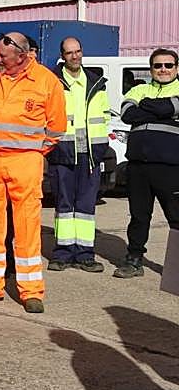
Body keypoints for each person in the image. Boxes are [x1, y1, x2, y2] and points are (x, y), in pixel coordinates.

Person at [0, 31, 66, 313]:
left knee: (26, 226)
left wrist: (32, 152)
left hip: (25, 162)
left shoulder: (46, 82)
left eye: (3, 56)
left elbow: (56, 127)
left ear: (21, 55)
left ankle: (31, 291)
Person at [46, 37, 109, 273]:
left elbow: (104, 117)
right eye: (69, 52)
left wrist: (100, 148)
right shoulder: (53, 82)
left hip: (90, 154)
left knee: (86, 207)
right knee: (64, 205)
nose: (75, 56)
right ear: (62, 56)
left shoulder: (96, 82)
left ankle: (85, 255)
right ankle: (62, 254)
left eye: (78, 51)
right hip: (63, 152)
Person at [116, 47, 179, 278]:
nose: (163, 69)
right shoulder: (139, 89)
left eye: (168, 65)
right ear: (151, 69)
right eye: (157, 65)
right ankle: (134, 260)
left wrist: (148, 106)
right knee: (139, 216)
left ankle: (176, 270)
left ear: (176, 68)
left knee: (176, 218)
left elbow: (170, 107)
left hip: (170, 166)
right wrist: (164, 110)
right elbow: (127, 114)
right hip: (138, 166)